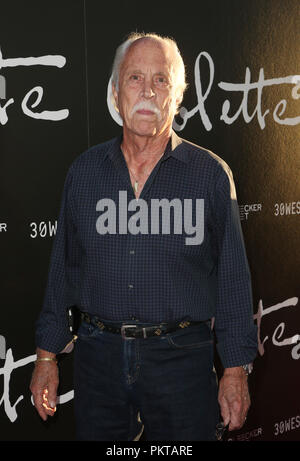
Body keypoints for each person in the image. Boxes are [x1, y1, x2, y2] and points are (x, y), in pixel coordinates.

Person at [30, 32, 257, 441]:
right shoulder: (84, 173)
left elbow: (234, 283)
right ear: (115, 93)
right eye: (135, 78)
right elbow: (61, 272)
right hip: (97, 357)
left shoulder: (210, 176)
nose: (147, 90)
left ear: (179, 94)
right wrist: (46, 356)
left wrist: (236, 369)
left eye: (161, 79)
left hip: (182, 359)